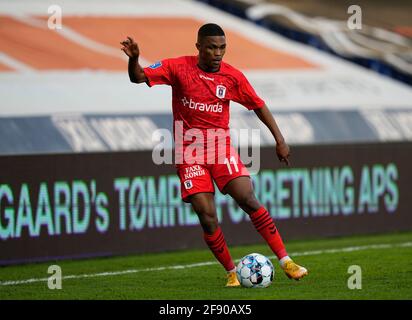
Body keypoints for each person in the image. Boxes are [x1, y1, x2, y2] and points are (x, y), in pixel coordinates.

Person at [120, 23, 308, 287]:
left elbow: (259, 105)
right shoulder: (178, 67)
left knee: (248, 198)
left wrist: (280, 140)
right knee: (206, 214)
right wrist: (135, 59)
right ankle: (232, 272)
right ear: (199, 47)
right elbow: (138, 77)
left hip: (220, 148)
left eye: (222, 48)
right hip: (189, 153)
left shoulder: (233, 77)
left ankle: (286, 260)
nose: (217, 53)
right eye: (211, 47)